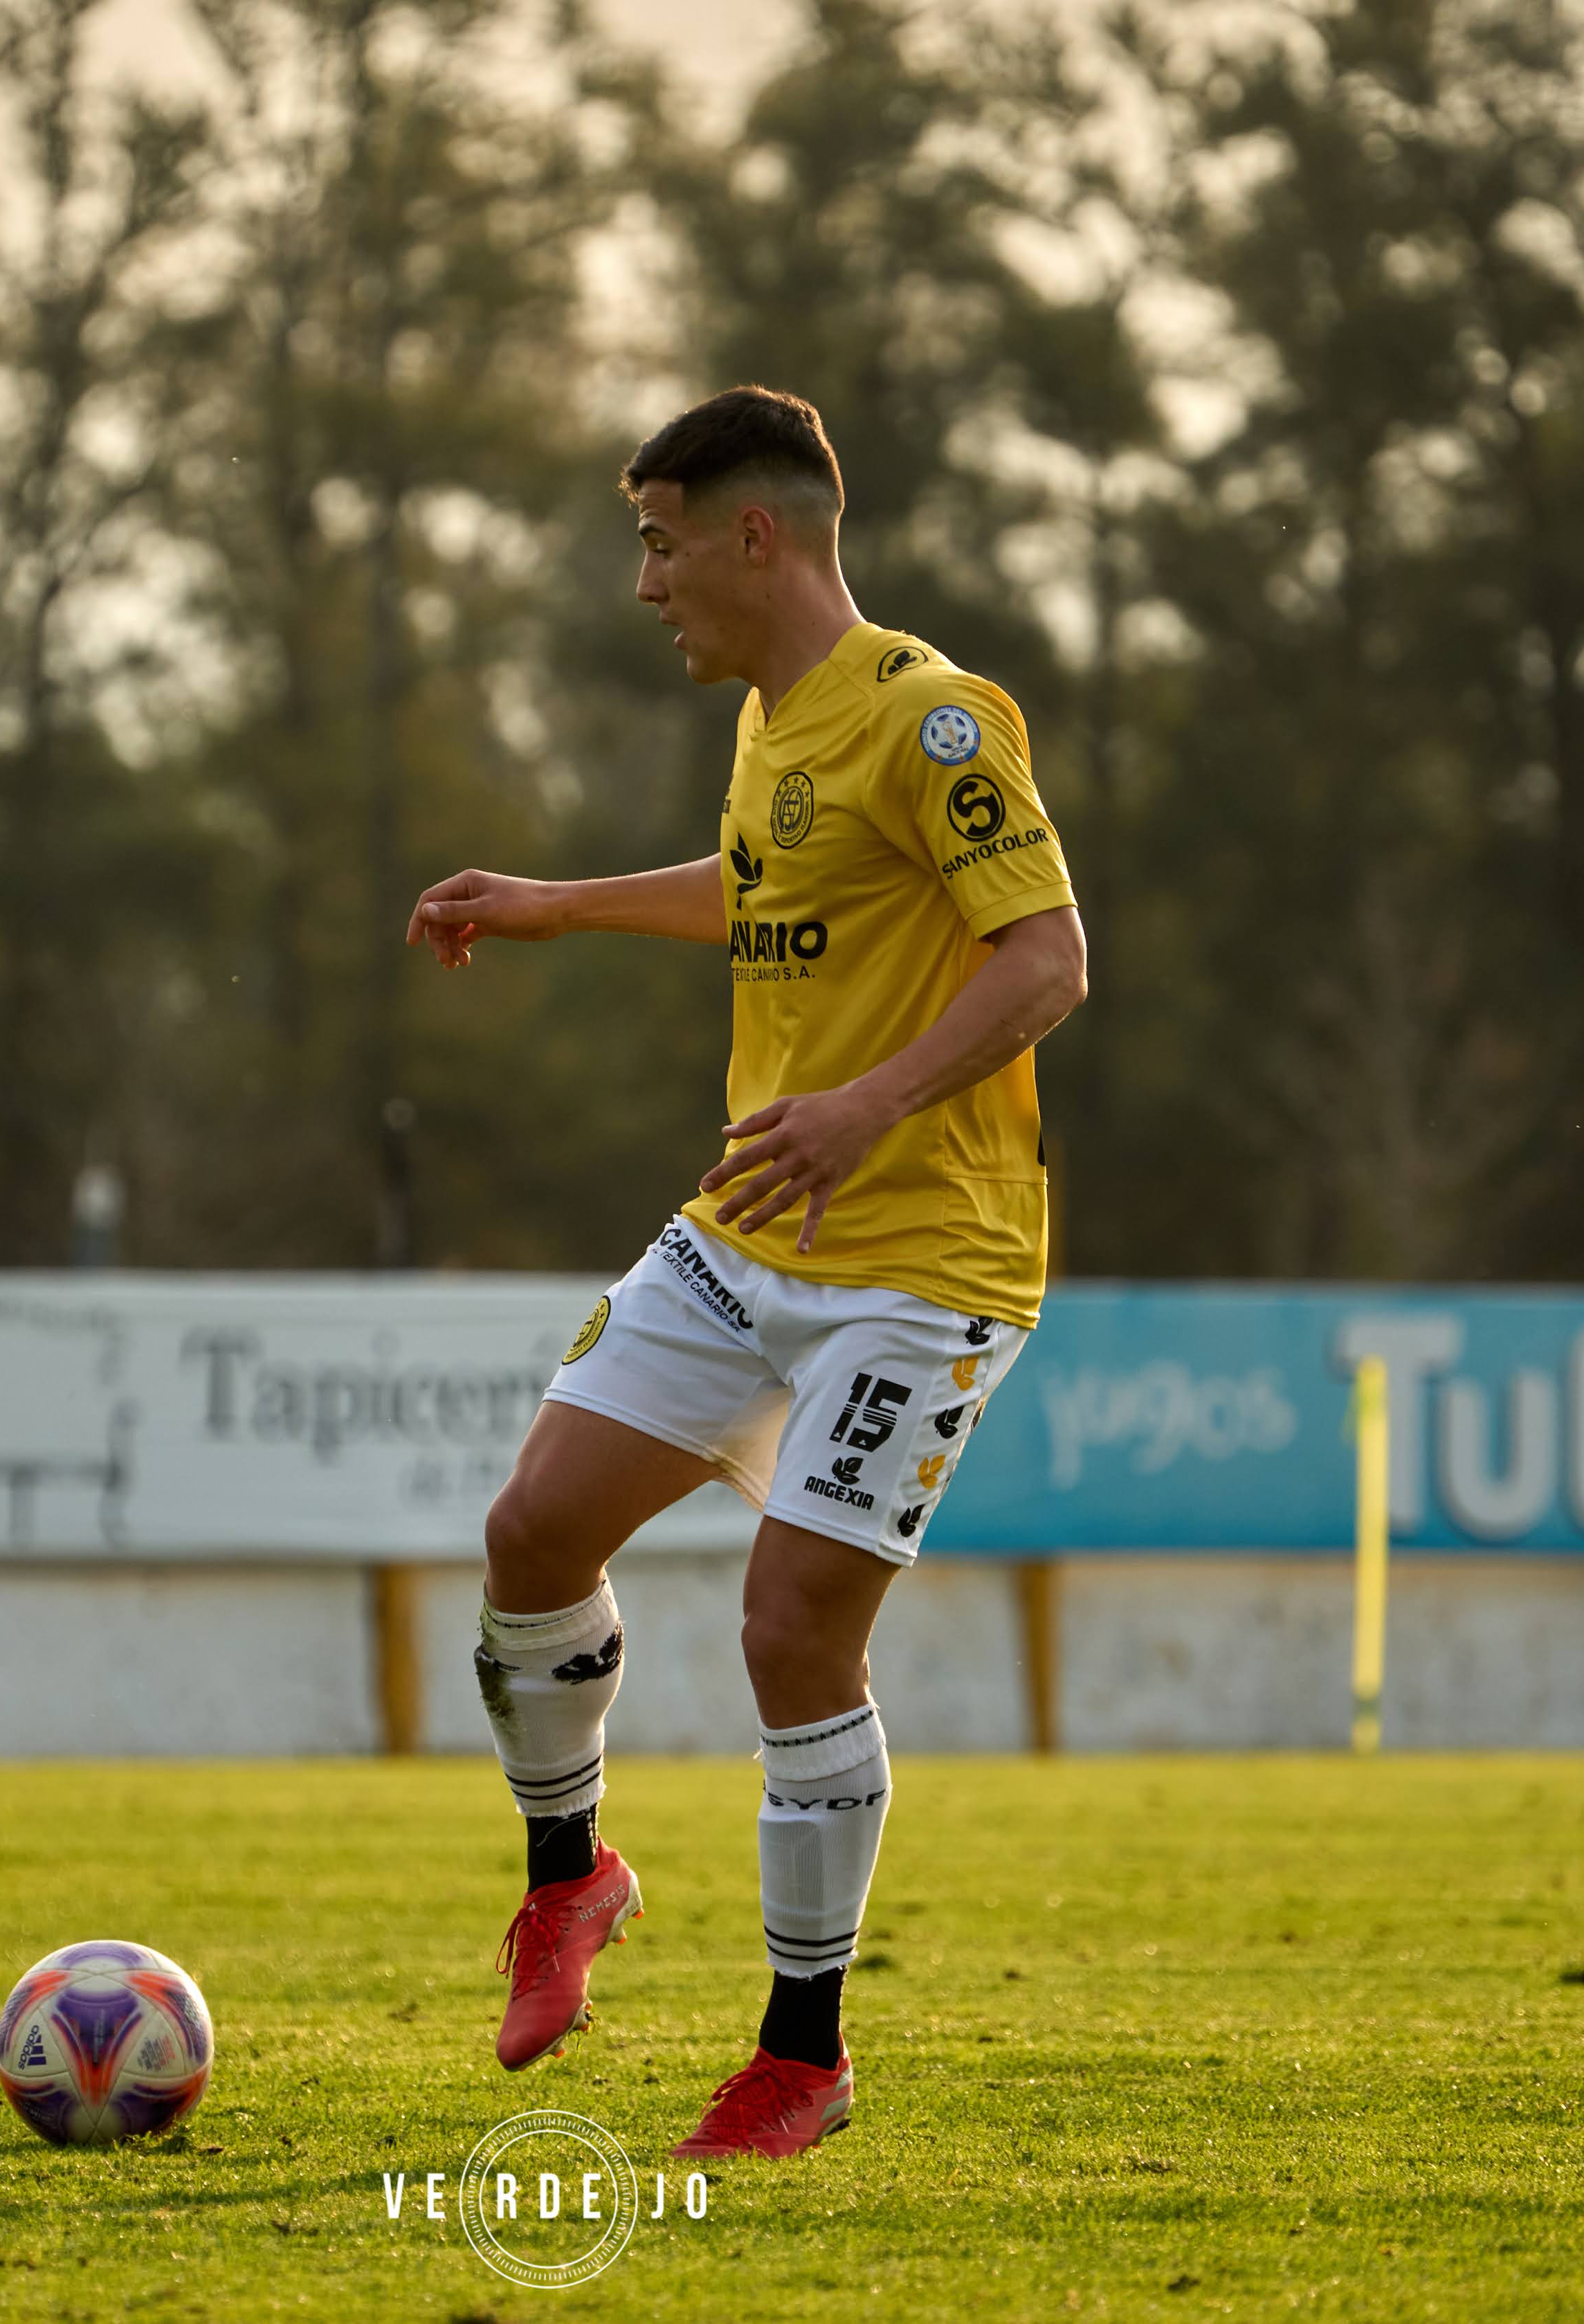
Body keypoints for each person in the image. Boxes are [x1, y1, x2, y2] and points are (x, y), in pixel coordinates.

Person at [403, 384, 1086, 2160]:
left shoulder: (934, 720)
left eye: (657, 540)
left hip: (924, 1261)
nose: (646, 584)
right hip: (752, 1225)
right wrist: (557, 903)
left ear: (752, 534)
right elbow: (767, 888)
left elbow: (1048, 957)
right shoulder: (778, 725)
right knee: (530, 1531)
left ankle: (803, 2051)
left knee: (789, 1622)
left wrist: (866, 1102)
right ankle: (572, 1879)